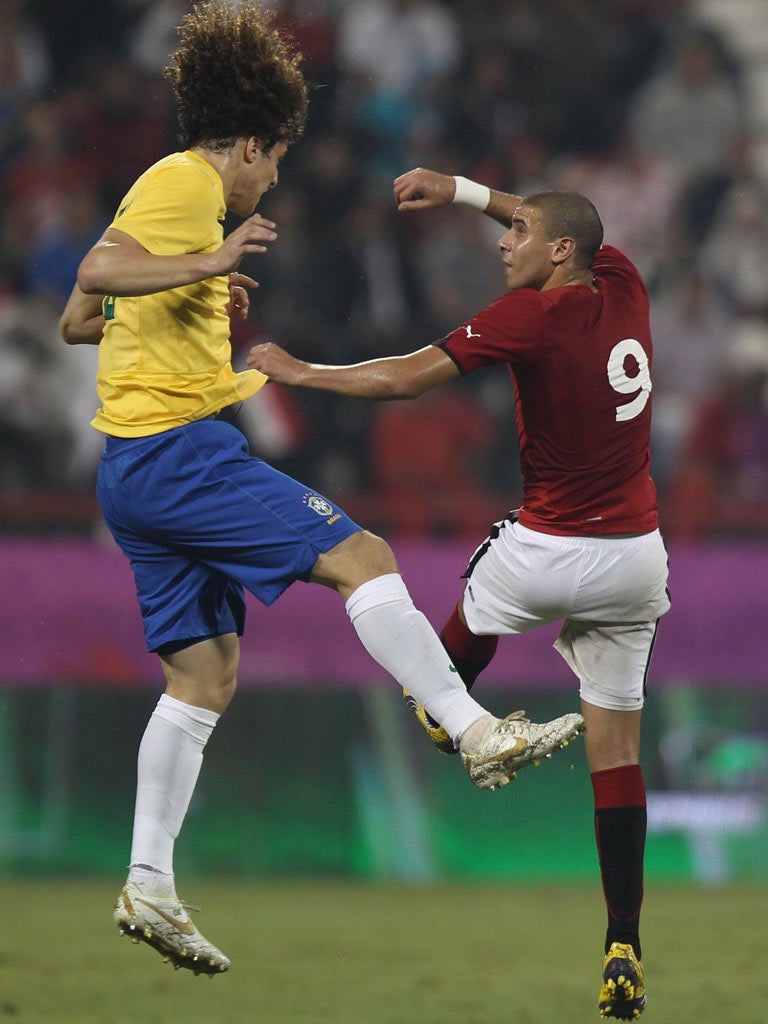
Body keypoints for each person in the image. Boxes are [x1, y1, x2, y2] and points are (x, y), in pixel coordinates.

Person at [58, 4, 584, 978]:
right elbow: (95, 270)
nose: (272, 179)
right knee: (364, 557)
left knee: (203, 676)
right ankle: (472, 730)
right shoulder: (187, 184)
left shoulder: (164, 197)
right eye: (275, 160)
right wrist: (207, 260)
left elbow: (79, 317)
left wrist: (185, 287)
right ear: (251, 143)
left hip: (133, 469)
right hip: (179, 452)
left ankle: (148, 879)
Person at [248, 166, 671, 1020]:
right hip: (638, 556)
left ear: (558, 253)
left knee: (461, 625)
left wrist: (299, 372)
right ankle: (622, 939)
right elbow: (553, 216)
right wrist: (464, 191)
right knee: (617, 755)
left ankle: (452, 715)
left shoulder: (530, 314)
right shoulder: (622, 281)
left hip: (552, 547)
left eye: (517, 237)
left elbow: (406, 377)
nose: (503, 242)